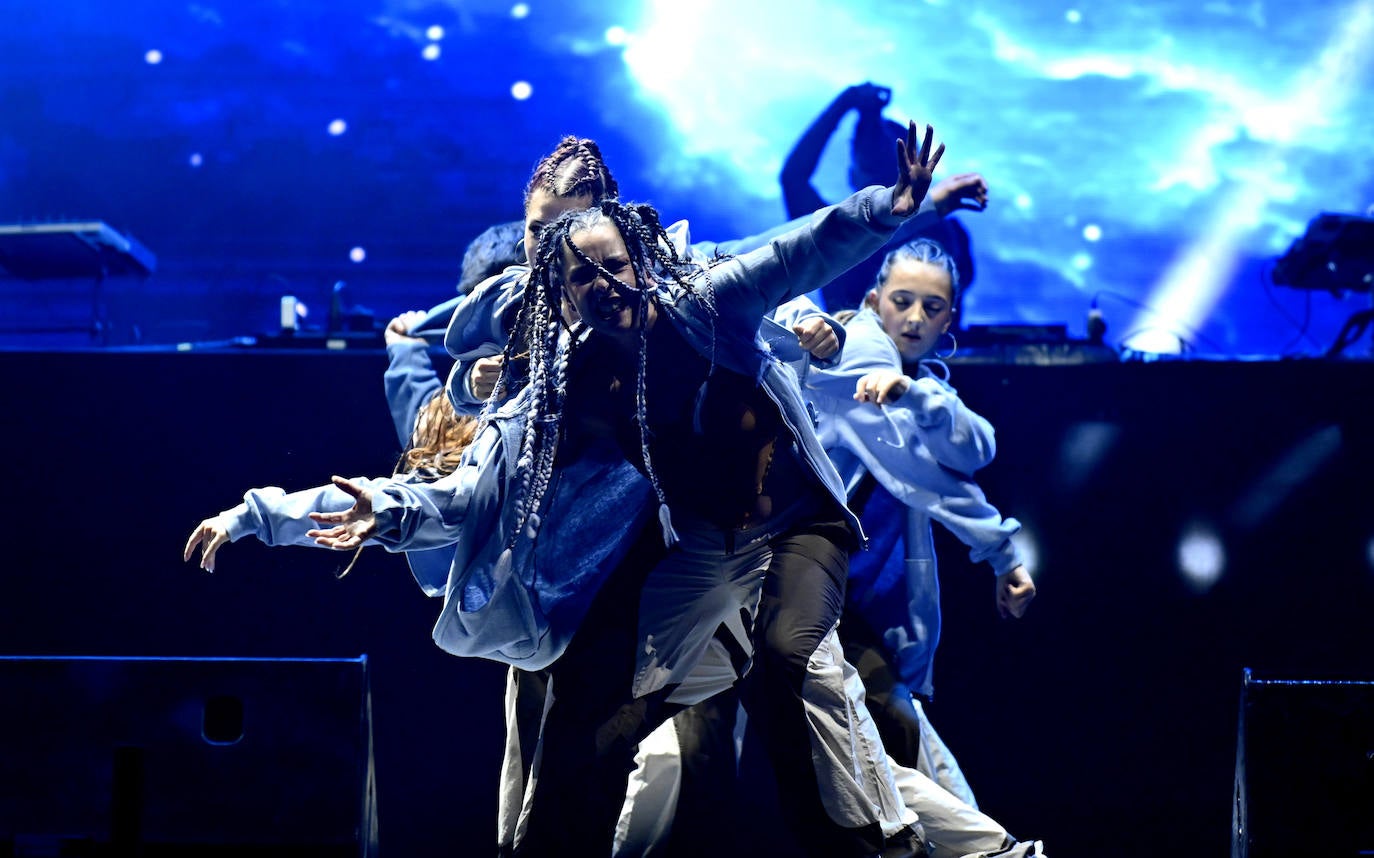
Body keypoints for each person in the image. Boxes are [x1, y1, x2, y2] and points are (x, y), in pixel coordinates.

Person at [780, 82, 986, 315]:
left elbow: (793, 178)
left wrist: (845, 104)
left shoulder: (831, 231)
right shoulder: (945, 228)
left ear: (852, 174)